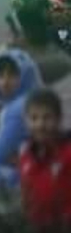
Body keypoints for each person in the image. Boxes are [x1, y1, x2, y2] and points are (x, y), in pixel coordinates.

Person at [18, 87, 71, 225]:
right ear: (26, 121)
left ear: (59, 119)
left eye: (47, 118)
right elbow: (25, 193)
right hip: (34, 227)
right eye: (34, 118)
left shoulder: (67, 154)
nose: (40, 125)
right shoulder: (25, 154)